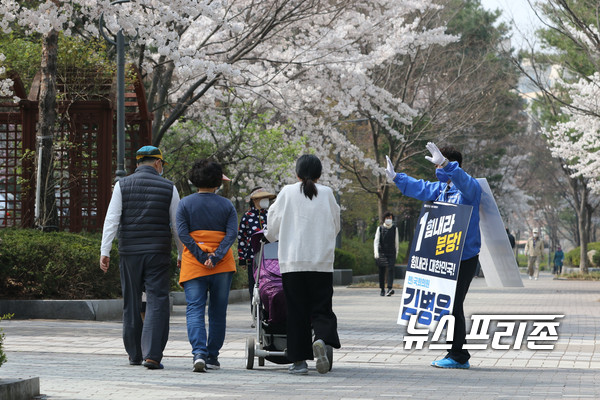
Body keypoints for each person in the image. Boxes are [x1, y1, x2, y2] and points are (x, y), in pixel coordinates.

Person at [385, 142, 481, 370]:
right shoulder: (442, 189)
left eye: (438, 163)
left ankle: (459, 355)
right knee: (449, 306)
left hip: (463, 259)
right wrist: (397, 177)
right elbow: (419, 187)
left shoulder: (469, 189)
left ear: (450, 164)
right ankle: (457, 352)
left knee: (454, 305)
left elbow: (465, 182)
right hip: (444, 258)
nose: (435, 168)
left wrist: (447, 165)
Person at [99, 145, 183, 370]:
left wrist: (104, 251)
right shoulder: (169, 187)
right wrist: (181, 253)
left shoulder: (122, 185)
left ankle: (134, 354)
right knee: (157, 301)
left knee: (132, 301)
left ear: (138, 164)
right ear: (158, 163)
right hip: (158, 253)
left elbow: (112, 219)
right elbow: (177, 226)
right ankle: (153, 355)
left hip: (130, 253)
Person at [264, 154, 341, 375]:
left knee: (296, 311)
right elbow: (336, 225)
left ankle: (298, 362)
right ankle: (322, 339)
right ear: (319, 174)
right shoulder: (327, 194)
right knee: (322, 308)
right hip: (321, 262)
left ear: (297, 173)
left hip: (293, 262)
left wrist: (269, 237)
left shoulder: (287, 192)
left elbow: (273, 224)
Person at [176, 159, 238, 373]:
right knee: (218, 312)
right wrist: (216, 255)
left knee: (194, 308)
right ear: (218, 182)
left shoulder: (185, 203)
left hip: (194, 263)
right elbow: (231, 234)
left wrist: (202, 256)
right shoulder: (227, 205)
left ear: (194, 180)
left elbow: (182, 233)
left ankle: (199, 353)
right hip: (221, 266)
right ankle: (212, 356)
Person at [237, 187, 276, 299]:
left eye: (267, 198)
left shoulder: (271, 215)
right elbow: (242, 237)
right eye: (262, 198)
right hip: (252, 256)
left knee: (270, 284)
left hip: (271, 256)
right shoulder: (247, 216)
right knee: (254, 285)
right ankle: (256, 312)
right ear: (254, 200)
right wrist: (242, 259)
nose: (265, 200)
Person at [373, 211, 399, 296]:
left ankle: (390, 288)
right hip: (382, 252)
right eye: (387, 218)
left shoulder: (395, 229)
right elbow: (376, 241)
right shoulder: (380, 228)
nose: (389, 220)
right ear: (384, 219)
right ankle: (382, 289)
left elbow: (396, 242)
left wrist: (397, 252)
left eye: (390, 218)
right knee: (382, 271)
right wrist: (376, 252)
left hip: (391, 252)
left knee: (391, 269)